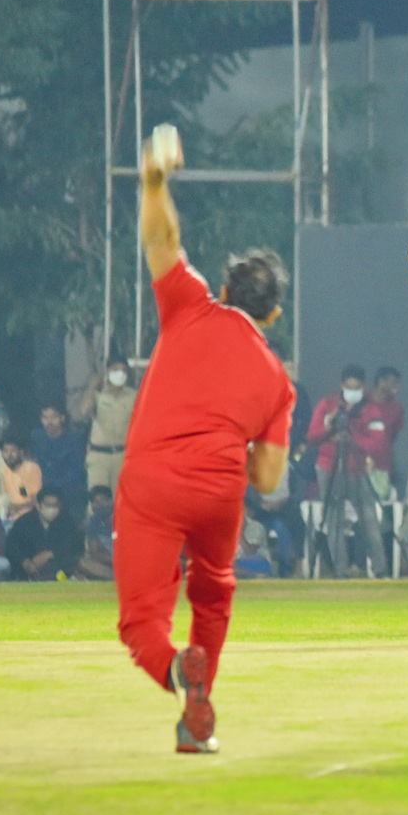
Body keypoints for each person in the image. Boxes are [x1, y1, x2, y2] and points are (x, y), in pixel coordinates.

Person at [113, 132, 294, 754]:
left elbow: (162, 240)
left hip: (153, 479)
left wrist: (154, 180)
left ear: (223, 289)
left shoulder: (191, 306)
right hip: (220, 490)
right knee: (213, 593)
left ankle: (173, 670)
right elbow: (267, 481)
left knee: (142, 617)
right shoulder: (277, 378)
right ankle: (196, 721)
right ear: (273, 315)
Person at [306, 365, 389, 579]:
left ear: (363, 387)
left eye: (357, 387)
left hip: (357, 468)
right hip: (329, 466)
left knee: (369, 518)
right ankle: (340, 571)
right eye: (349, 387)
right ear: (342, 385)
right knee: (333, 519)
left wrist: (353, 439)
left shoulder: (371, 409)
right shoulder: (328, 405)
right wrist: (329, 426)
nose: (353, 391)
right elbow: (313, 436)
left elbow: (378, 442)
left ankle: (380, 570)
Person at [78, 356, 138, 495]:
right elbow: (83, 411)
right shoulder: (98, 394)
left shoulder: (134, 396)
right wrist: (92, 386)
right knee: (98, 498)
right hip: (99, 456)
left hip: (122, 455)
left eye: (124, 370)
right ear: (108, 371)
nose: (120, 374)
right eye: (116, 369)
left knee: (121, 498)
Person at [5, 487, 81, 581]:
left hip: (57, 567)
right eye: (48, 505)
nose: (52, 509)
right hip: (25, 568)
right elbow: (10, 545)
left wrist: (50, 554)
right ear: (38, 505)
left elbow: (74, 546)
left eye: (55, 505)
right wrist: (25, 562)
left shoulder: (66, 522)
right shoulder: (24, 522)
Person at [29, 403, 87, 524]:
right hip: (44, 491)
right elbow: (35, 466)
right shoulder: (37, 437)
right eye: (45, 417)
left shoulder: (74, 439)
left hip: (69, 493)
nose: (49, 422)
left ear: (62, 418)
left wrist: (52, 490)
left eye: (54, 417)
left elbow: (77, 472)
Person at [366, 366, 405, 497]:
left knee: (381, 496)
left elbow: (393, 435)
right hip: (357, 462)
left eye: (397, 384)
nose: (396, 387)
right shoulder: (363, 401)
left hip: (383, 463)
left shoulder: (397, 408)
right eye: (392, 382)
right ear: (381, 382)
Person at [0, 433, 42, 526]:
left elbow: (37, 501)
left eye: (13, 450)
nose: (9, 455)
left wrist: (16, 508)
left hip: (30, 517)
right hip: (10, 518)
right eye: (5, 451)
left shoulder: (31, 468)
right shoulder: (4, 470)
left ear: (21, 452)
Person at [76, 485, 115, 581]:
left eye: (104, 500)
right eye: (95, 502)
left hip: (128, 563)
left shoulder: (123, 518)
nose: (100, 504)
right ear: (91, 505)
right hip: (109, 565)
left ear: (111, 501)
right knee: (83, 563)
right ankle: (121, 578)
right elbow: (95, 553)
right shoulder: (93, 522)